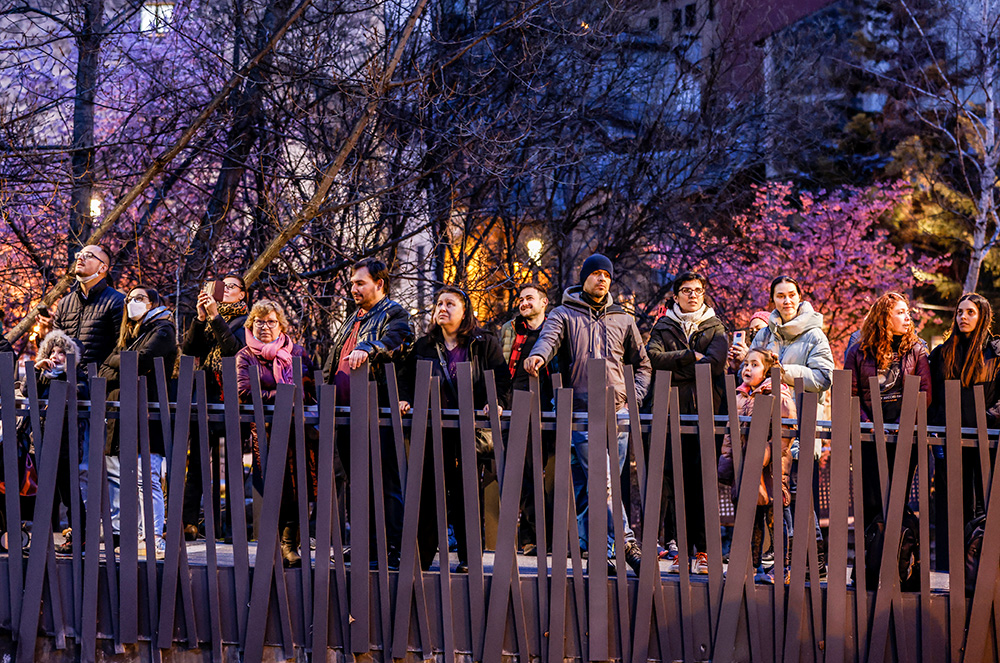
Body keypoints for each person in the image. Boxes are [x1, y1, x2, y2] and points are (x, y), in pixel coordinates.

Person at [524, 253, 650, 576]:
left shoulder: (623, 318)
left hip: (617, 413)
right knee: (603, 483)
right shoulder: (564, 314)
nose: (602, 279)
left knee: (590, 488)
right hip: (579, 413)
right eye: (595, 274)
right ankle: (626, 543)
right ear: (584, 279)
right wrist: (538, 357)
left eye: (606, 275)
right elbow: (547, 340)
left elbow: (643, 365)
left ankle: (598, 553)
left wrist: (629, 400)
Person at [398, 286, 511, 573]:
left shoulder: (483, 342)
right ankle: (421, 558)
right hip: (432, 430)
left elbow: (500, 379)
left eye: (450, 303)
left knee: (466, 492)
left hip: (469, 430)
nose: (442, 308)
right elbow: (407, 379)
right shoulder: (423, 346)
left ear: (464, 312)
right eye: (438, 303)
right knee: (428, 492)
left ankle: (468, 559)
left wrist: (494, 402)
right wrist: (405, 399)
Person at [730, 275, 834, 579]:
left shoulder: (815, 335)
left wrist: (782, 372)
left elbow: (824, 377)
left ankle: (815, 562)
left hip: (798, 425)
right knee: (772, 496)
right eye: (780, 296)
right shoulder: (765, 334)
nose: (786, 301)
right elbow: (751, 371)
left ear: (800, 298)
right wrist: (745, 364)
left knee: (799, 496)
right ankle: (782, 562)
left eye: (791, 295)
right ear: (773, 300)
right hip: (765, 432)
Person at [322, 258, 412, 568]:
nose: (353, 288)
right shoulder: (353, 318)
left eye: (360, 283)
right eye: (352, 284)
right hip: (346, 413)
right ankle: (365, 546)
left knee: (385, 481)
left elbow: (396, 342)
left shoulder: (395, 314)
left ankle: (393, 549)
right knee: (357, 483)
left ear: (379, 284)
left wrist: (369, 348)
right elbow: (335, 359)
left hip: (378, 410)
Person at [645, 272, 728, 574]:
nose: (692, 295)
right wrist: (690, 356)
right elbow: (652, 357)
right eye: (686, 290)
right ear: (676, 295)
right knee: (674, 481)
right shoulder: (664, 325)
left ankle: (704, 552)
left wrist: (678, 365)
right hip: (670, 413)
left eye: (697, 290)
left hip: (707, 413)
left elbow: (716, 363)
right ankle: (678, 548)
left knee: (702, 482)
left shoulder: (716, 327)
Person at [50, 245, 125, 553]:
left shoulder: (116, 302)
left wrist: (96, 379)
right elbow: (55, 343)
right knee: (68, 465)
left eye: (89, 255)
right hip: (68, 394)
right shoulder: (66, 303)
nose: (80, 257)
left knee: (98, 466)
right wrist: (54, 367)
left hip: (100, 394)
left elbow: (122, 347)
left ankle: (111, 532)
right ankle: (78, 529)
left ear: (104, 267)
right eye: (79, 254)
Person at [99, 286, 177, 559]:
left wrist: (115, 362)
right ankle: (136, 535)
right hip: (123, 413)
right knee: (126, 480)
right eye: (130, 299)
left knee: (148, 479)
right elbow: (104, 369)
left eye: (140, 298)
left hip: (148, 411)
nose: (132, 302)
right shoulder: (131, 334)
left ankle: (154, 537)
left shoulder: (163, 330)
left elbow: (140, 361)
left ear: (154, 302)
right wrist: (120, 363)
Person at [236, 299, 315, 567]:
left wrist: (298, 397)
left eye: (271, 321)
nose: (265, 326)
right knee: (273, 488)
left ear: (280, 325)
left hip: (297, 429)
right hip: (266, 431)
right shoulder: (245, 356)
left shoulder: (298, 353)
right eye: (259, 321)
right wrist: (281, 396)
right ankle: (274, 545)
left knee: (297, 487)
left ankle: (289, 544)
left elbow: (311, 388)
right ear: (251, 325)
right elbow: (244, 392)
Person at [844, 292, 930, 531]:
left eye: (908, 312)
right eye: (900, 313)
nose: (907, 318)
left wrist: (905, 423)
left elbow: (924, 392)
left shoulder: (916, 349)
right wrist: (867, 423)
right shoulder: (858, 351)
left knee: (897, 499)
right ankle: (874, 559)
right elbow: (850, 393)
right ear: (884, 317)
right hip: (869, 435)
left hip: (905, 435)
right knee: (871, 501)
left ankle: (900, 558)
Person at [929, 293, 1000, 568]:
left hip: (987, 441)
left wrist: (984, 419)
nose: (963, 317)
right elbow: (932, 399)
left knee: (986, 505)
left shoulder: (995, 352)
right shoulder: (942, 354)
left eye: (970, 312)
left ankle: (982, 571)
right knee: (953, 506)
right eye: (959, 312)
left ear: (982, 316)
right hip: (951, 442)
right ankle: (951, 570)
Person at [718, 348, 796, 584]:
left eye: (754, 365)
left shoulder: (779, 395)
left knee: (775, 517)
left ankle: (782, 567)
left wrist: (761, 456)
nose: (747, 369)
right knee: (751, 517)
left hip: (771, 468)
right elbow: (731, 435)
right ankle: (752, 566)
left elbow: (786, 433)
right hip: (745, 467)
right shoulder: (741, 396)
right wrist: (727, 462)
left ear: (768, 370)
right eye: (745, 365)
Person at [180, 273, 249, 541]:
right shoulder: (207, 321)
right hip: (206, 397)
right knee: (196, 463)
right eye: (222, 286)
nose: (226, 289)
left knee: (233, 464)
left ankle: (233, 529)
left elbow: (235, 351)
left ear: (243, 294)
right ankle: (188, 523)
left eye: (232, 286)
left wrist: (216, 317)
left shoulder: (247, 320)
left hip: (233, 400)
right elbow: (189, 350)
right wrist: (200, 318)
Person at [499, 282, 555, 555]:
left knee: (537, 471)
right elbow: (500, 368)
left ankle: (536, 537)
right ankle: (528, 537)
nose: (523, 303)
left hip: (546, 409)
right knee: (517, 473)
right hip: (513, 407)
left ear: (544, 302)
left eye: (530, 298)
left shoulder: (554, 332)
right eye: (520, 299)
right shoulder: (510, 330)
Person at [32, 331, 89, 553]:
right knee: (44, 492)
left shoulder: (77, 375)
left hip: (67, 445)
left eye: (61, 353)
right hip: (43, 441)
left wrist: (63, 378)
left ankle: (80, 538)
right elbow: (28, 391)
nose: (56, 356)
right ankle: (41, 538)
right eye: (52, 352)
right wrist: (37, 370)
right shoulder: (45, 374)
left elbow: (81, 393)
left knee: (69, 493)